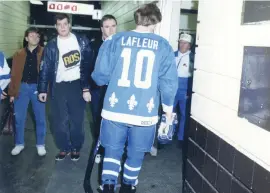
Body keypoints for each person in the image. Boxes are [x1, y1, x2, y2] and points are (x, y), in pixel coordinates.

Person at [91, 3, 178, 193]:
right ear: (155, 23)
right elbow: (169, 83)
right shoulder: (163, 46)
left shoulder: (114, 40)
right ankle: (129, 186)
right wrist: (168, 112)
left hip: (115, 109)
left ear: (136, 19)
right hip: (144, 112)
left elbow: (99, 77)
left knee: (112, 151)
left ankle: (107, 185)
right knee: (136, 153)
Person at [38, 13, 92, 161]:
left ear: (69, 25)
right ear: (55, 27)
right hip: (59, 86)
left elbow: (87, 66)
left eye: (65, 24)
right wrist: (42, 89)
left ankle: (76, 147)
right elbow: (45, 69)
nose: (62, 27)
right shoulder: (51, 45)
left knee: (77, 121)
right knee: (59, 121)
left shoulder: (81, 41)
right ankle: (64, 147)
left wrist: (86, 88)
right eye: (59, 24)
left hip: (76, 86)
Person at [8, 27, 46, 156]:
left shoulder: (44, 53)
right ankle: (19, 143)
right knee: (19, 118)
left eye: (37, 36)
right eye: (31, 35)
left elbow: (49, 73)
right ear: (26, 38)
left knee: (40, 118)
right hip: (22, 88)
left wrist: (45, 89)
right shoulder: (18, 54)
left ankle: (40, 144)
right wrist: (12, 93)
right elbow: (14, 74)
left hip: (37, 88)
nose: (34, 37)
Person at [90, 14, 117, 141]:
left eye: (113, 26)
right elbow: (87, 68)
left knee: (113, 120)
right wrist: (86, 89)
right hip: (97, 89)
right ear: (102, 29)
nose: (111, 30)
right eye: (107, 27)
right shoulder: (93, 45)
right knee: (97, 118)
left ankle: (110, 148)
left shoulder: (121, 45)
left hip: (115, 89)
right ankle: (98, 148)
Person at [173, 33, 194, 143]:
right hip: (172, 87)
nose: (182, 45)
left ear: (189, 45)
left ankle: (181, 138)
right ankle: (166, 136)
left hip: (184, 88)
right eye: (180, 42)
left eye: (185, 43)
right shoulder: (173, 55)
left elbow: (195, 77)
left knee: (184, 114)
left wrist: (189, 91)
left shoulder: (193, 58)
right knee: (169, 112)